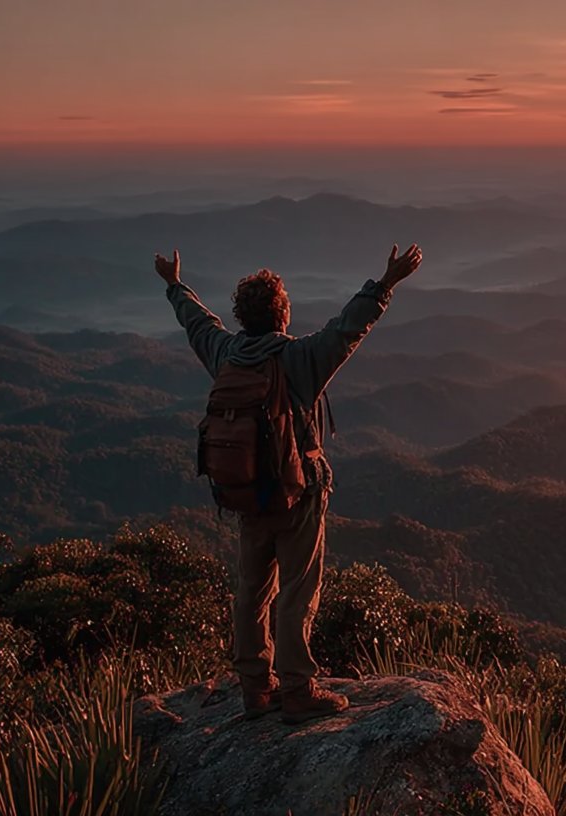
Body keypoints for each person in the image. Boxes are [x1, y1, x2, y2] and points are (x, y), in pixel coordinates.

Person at [156, 243, 423, 723]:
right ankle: (298, 689)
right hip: (297, 494)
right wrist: (386, 284)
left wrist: (174, 285)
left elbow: (198, 324)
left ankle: (256, 687)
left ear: (242, 316)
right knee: (298, 589)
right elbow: (347, 328)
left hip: (245, 494)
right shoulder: (299, 360)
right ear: (282, 314)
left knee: (252, 589)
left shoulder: (225, 355)